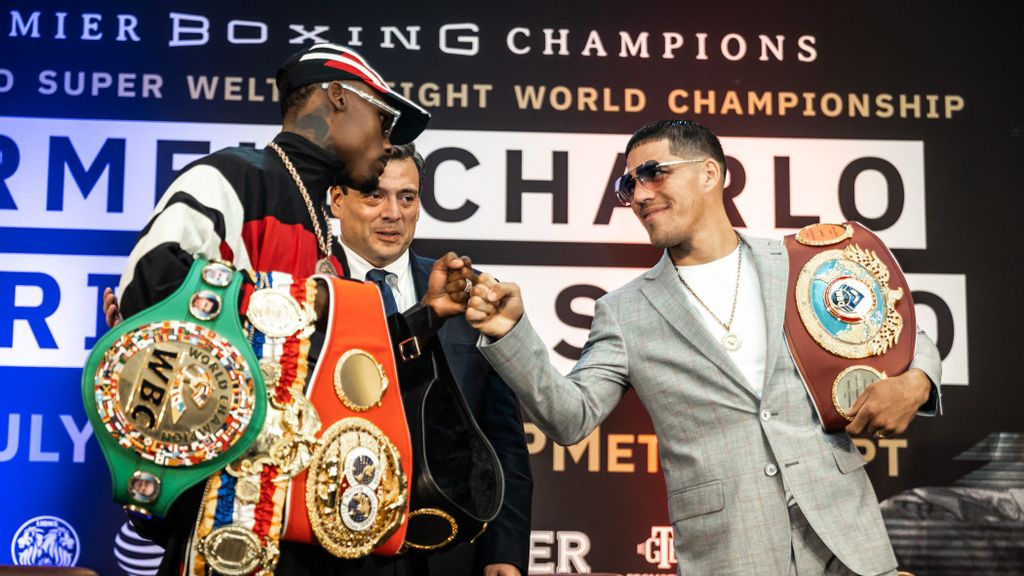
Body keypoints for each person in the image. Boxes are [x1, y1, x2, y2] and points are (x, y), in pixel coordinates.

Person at [463, 120, 942, 575]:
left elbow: (900, 330)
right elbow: (571, 417)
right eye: (628, 186)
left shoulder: (798, 263)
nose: (640, 195)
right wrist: (511, 332)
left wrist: (917, 382)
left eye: (653, 173)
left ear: (710, 173)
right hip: (731, 548)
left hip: (848, 536)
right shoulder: (625, 311)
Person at [105, 42, 470, 576]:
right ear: (338, 99)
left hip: (302, 527)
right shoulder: (232, 175)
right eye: (384, 120)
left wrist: (426, 315)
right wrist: (307, 307)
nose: (388, 141)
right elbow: (149, 285)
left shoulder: (324, 234)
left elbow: (328, 369)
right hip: (225, 522)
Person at [329, 143, 532, 576]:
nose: (393, 212)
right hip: (331, 548)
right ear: (336, 199)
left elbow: (503, 440)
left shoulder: (470, 294)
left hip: (447, 548)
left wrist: (505, 552)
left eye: (407, 197)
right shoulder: (305, 287)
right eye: (374, 195)